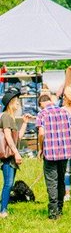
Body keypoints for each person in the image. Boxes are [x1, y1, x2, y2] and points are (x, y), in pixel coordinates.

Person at [34, 91, 71, 220]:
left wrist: (41, 148)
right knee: (61, 180)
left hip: (50, 152)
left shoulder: (42, 114)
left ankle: (53, 212)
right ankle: (60, 208)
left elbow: (41, 133)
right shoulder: (65, 112)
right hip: (64, 152)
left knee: (52, 182)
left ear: (41, 104)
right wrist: (70, 145)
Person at [1, 86, 26, 219]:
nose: (18, 104)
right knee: (8, 183)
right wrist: (16, 153)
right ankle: (3, 210)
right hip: (8, 156)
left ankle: (3, 207)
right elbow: (8, 137)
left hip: (11, 155)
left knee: (9, 183)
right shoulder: (5, 116)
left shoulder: (12, 118)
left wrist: (25, 124)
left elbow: (18, 138)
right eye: (17, 101)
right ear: (11, 102)